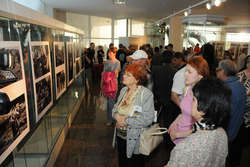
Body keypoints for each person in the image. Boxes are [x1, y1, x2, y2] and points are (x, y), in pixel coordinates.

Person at [165, 77, 231, 167]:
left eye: (194, 100)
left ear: (203, 109)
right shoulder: (222, 133)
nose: (190, 103)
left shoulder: (185, 148)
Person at [112, 64, 155, 167]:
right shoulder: (123, 90)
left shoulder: (146, 94)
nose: (124, 76)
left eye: (128, 75)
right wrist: (117, 116)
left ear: (136, 79)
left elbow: (148, 119)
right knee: (122, 162)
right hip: (120, 136)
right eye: (124, 74)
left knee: (135, 163)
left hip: (135, 139)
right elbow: (115, 108)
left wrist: (126, 121)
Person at [169, 56, 210, 144]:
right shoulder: (187, 89)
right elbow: (184, 111)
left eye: (189, 72)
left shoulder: (203, 97)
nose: (185, 74)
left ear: (200, 76)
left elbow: (201, 128)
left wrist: (178, 135)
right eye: (185, 71)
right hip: (178, 133)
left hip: (189, 139)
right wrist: (175, 122)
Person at [216, 59, 246, 167]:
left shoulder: (225, 89)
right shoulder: (240, 85)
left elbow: (222, 115)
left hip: (226, 133)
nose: (217, 72)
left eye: (218, 70)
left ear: (223, 71)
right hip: (237, 130)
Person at [101, 51, 120, 126]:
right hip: (106, 83)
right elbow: (103, 73)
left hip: (113, 84)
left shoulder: (117, 62)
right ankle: (110, 118)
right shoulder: (106, 62)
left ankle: (110, 119)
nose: (109, 55)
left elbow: (116, 74)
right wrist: (101, 84)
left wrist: (108, 74)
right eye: (108, 53)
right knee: (108, 102)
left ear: (114, 53)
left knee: (111, 102)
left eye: (111, 53)